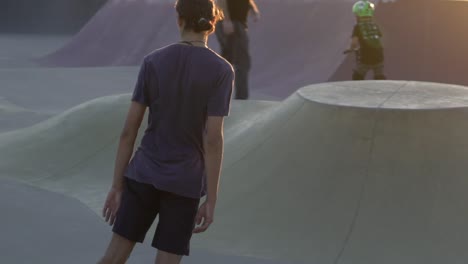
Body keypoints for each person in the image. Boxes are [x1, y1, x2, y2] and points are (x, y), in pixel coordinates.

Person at [98, 0, 234, 263]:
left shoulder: (153, 61)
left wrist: (117, 185)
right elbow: (213, 139)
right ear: (212, 23)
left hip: (143, 175)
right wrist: (212, 201)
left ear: (179, 20)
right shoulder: (221, 70)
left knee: (113, 258)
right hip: (185, 184)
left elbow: (129, 129)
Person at [216, 0, 260, 99]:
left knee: (227, 61)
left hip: (231, 23)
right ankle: (241, 100)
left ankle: (218, 96)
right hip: (233, 24)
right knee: (242, 62)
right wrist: (226, 19)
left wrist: (253, 10)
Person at [348, 0, 386, 80]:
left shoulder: (357, 27)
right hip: (379, 55)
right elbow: (378, 39)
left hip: (366, 57)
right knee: (379, 76)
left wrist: (351, 49)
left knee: (358, 75)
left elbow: (354, 42)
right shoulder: (374, 25)